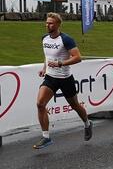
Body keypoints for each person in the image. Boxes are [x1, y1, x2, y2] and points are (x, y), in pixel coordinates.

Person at [34, 13, 93, 149]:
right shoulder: (45, 38)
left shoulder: (66, 39)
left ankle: (87, 124)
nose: (47, 25)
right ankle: (46, 137)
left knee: (75, 106)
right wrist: (44, 68)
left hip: (65, 79)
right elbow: (47, 57)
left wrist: (61, 63)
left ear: (58, 25)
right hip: (50, 78)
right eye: (47, 22)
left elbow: (78, 57)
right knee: (40, 103)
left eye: (51, 23)